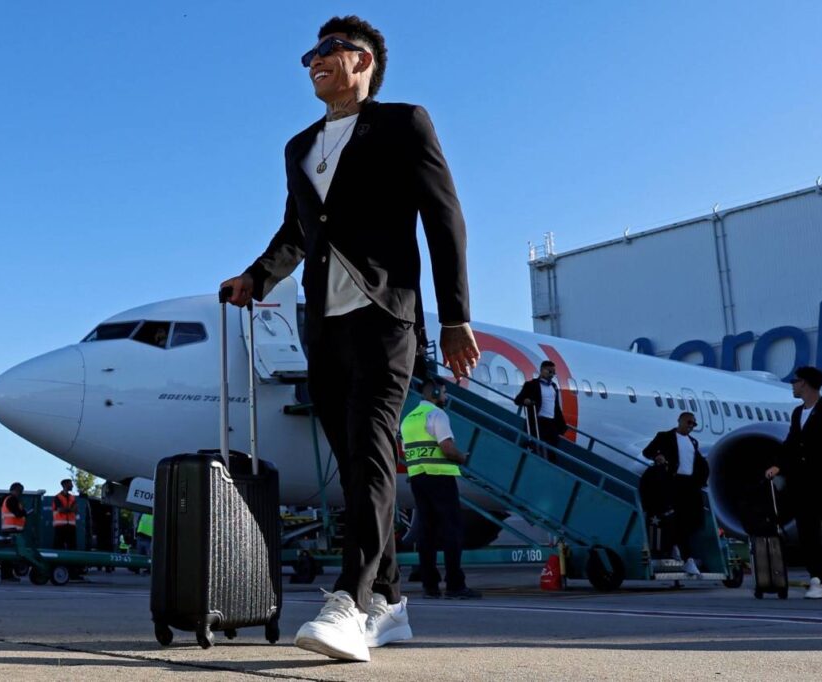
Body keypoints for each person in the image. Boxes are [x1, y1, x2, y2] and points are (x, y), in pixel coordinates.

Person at [220, 15, 478, 663]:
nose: (315, 62)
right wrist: (256, 276)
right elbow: (296, 233)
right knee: (352, 458)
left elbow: (444, 217)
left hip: (386, 315)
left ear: (363, 62)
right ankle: (389, 603)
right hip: (324, 323)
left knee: (368, 448)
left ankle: (349, 603)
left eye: (329, 51)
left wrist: (455, 316)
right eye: (309, 54)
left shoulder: (404, 123)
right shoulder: (299, 146)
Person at [765, 366, 822, 601]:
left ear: (805, 383)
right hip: (803, 486)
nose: (792, 385)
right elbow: (791, 443)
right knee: (808, 535)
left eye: (795, 381)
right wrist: (778, 465)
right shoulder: (798, 413)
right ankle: (819, 580)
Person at [400, 378, 481, 602]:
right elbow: (446, 448)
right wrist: (461, 457)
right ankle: (455, 585)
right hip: (441, 477)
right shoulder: (437, 414)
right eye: (444, 392)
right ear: (435, 392)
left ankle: (430, 585)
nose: (445, 397)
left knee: (426, 532)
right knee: (452, 531)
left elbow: (406, 452)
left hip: (418, 478)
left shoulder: (407, 419)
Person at [641, 412, 710, 576]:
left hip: (689, 485)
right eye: (688, 422)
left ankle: (675, 546)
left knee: (693, 520)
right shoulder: (665, 437)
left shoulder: (693, 442)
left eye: (694, 424)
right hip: (672, 482)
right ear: (679, 421)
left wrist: (701, 479)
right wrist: (658, 456)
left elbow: (697, 463)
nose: (691, 426)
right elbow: (647, 451)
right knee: (675, 519)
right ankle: (687, 559)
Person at [513, 360, 567, 460]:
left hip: (551, 423)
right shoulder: (531, 385)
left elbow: (556, 407)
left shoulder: (554, 387)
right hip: (538, 421)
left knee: (552, 450)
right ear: (542, 370)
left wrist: (562, 425)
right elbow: (517, 400)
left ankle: (550, 467)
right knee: (535, 446)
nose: (552, 374)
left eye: (553, 372)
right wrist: (526, 400)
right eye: (549, 371)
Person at [51, 478, 83, 579]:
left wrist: (67, 510)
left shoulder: (72, 498)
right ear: (65, 485)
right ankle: (56, 570)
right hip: (60, 527)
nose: (72, 486)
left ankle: (73, 573)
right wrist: (70, 510)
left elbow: (76, 509)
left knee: (72, 549)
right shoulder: (57, 497)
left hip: (71, 526)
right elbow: (61, 510)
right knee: (58, 548)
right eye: (70, 484)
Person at [0, 482, 28, 582]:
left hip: (8, 529)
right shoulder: (12, 500)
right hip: (12, 530)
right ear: (15, 490)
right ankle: (7, 575)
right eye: (20, 491)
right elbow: (17, 513)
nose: (21, 494)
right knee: (10, 554)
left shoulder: (6, 499)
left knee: (8, 553)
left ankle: (6, 575)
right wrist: (24, 512)